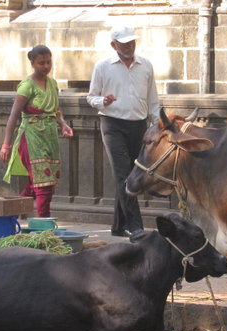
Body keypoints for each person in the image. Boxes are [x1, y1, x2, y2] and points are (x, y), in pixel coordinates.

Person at [87, 26, 159, 241]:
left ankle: (118, 225)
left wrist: (156, 123)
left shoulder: (145, 65)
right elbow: (91, 97)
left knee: (135, 172)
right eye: (124, 43)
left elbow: (152, 98)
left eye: (132, 42)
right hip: (112, 124)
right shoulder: (103, 67)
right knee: (123, 174)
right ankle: (134, 225)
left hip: (139, 124)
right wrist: (103, 101)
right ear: (114, 45)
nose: (129, 46)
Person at [0, 45, 73, 218]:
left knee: (41, 183)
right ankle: (43, 225)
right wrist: (6, 145)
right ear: (33, 63)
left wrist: (63, 124)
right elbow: (13, 116)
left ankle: (10, 214)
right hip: (31, 137)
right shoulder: (27, 85)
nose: (46, 66)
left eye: (48, 62)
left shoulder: (52, 83)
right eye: (41, 63)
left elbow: (55, 110)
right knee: (43, 185)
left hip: (49, 137)